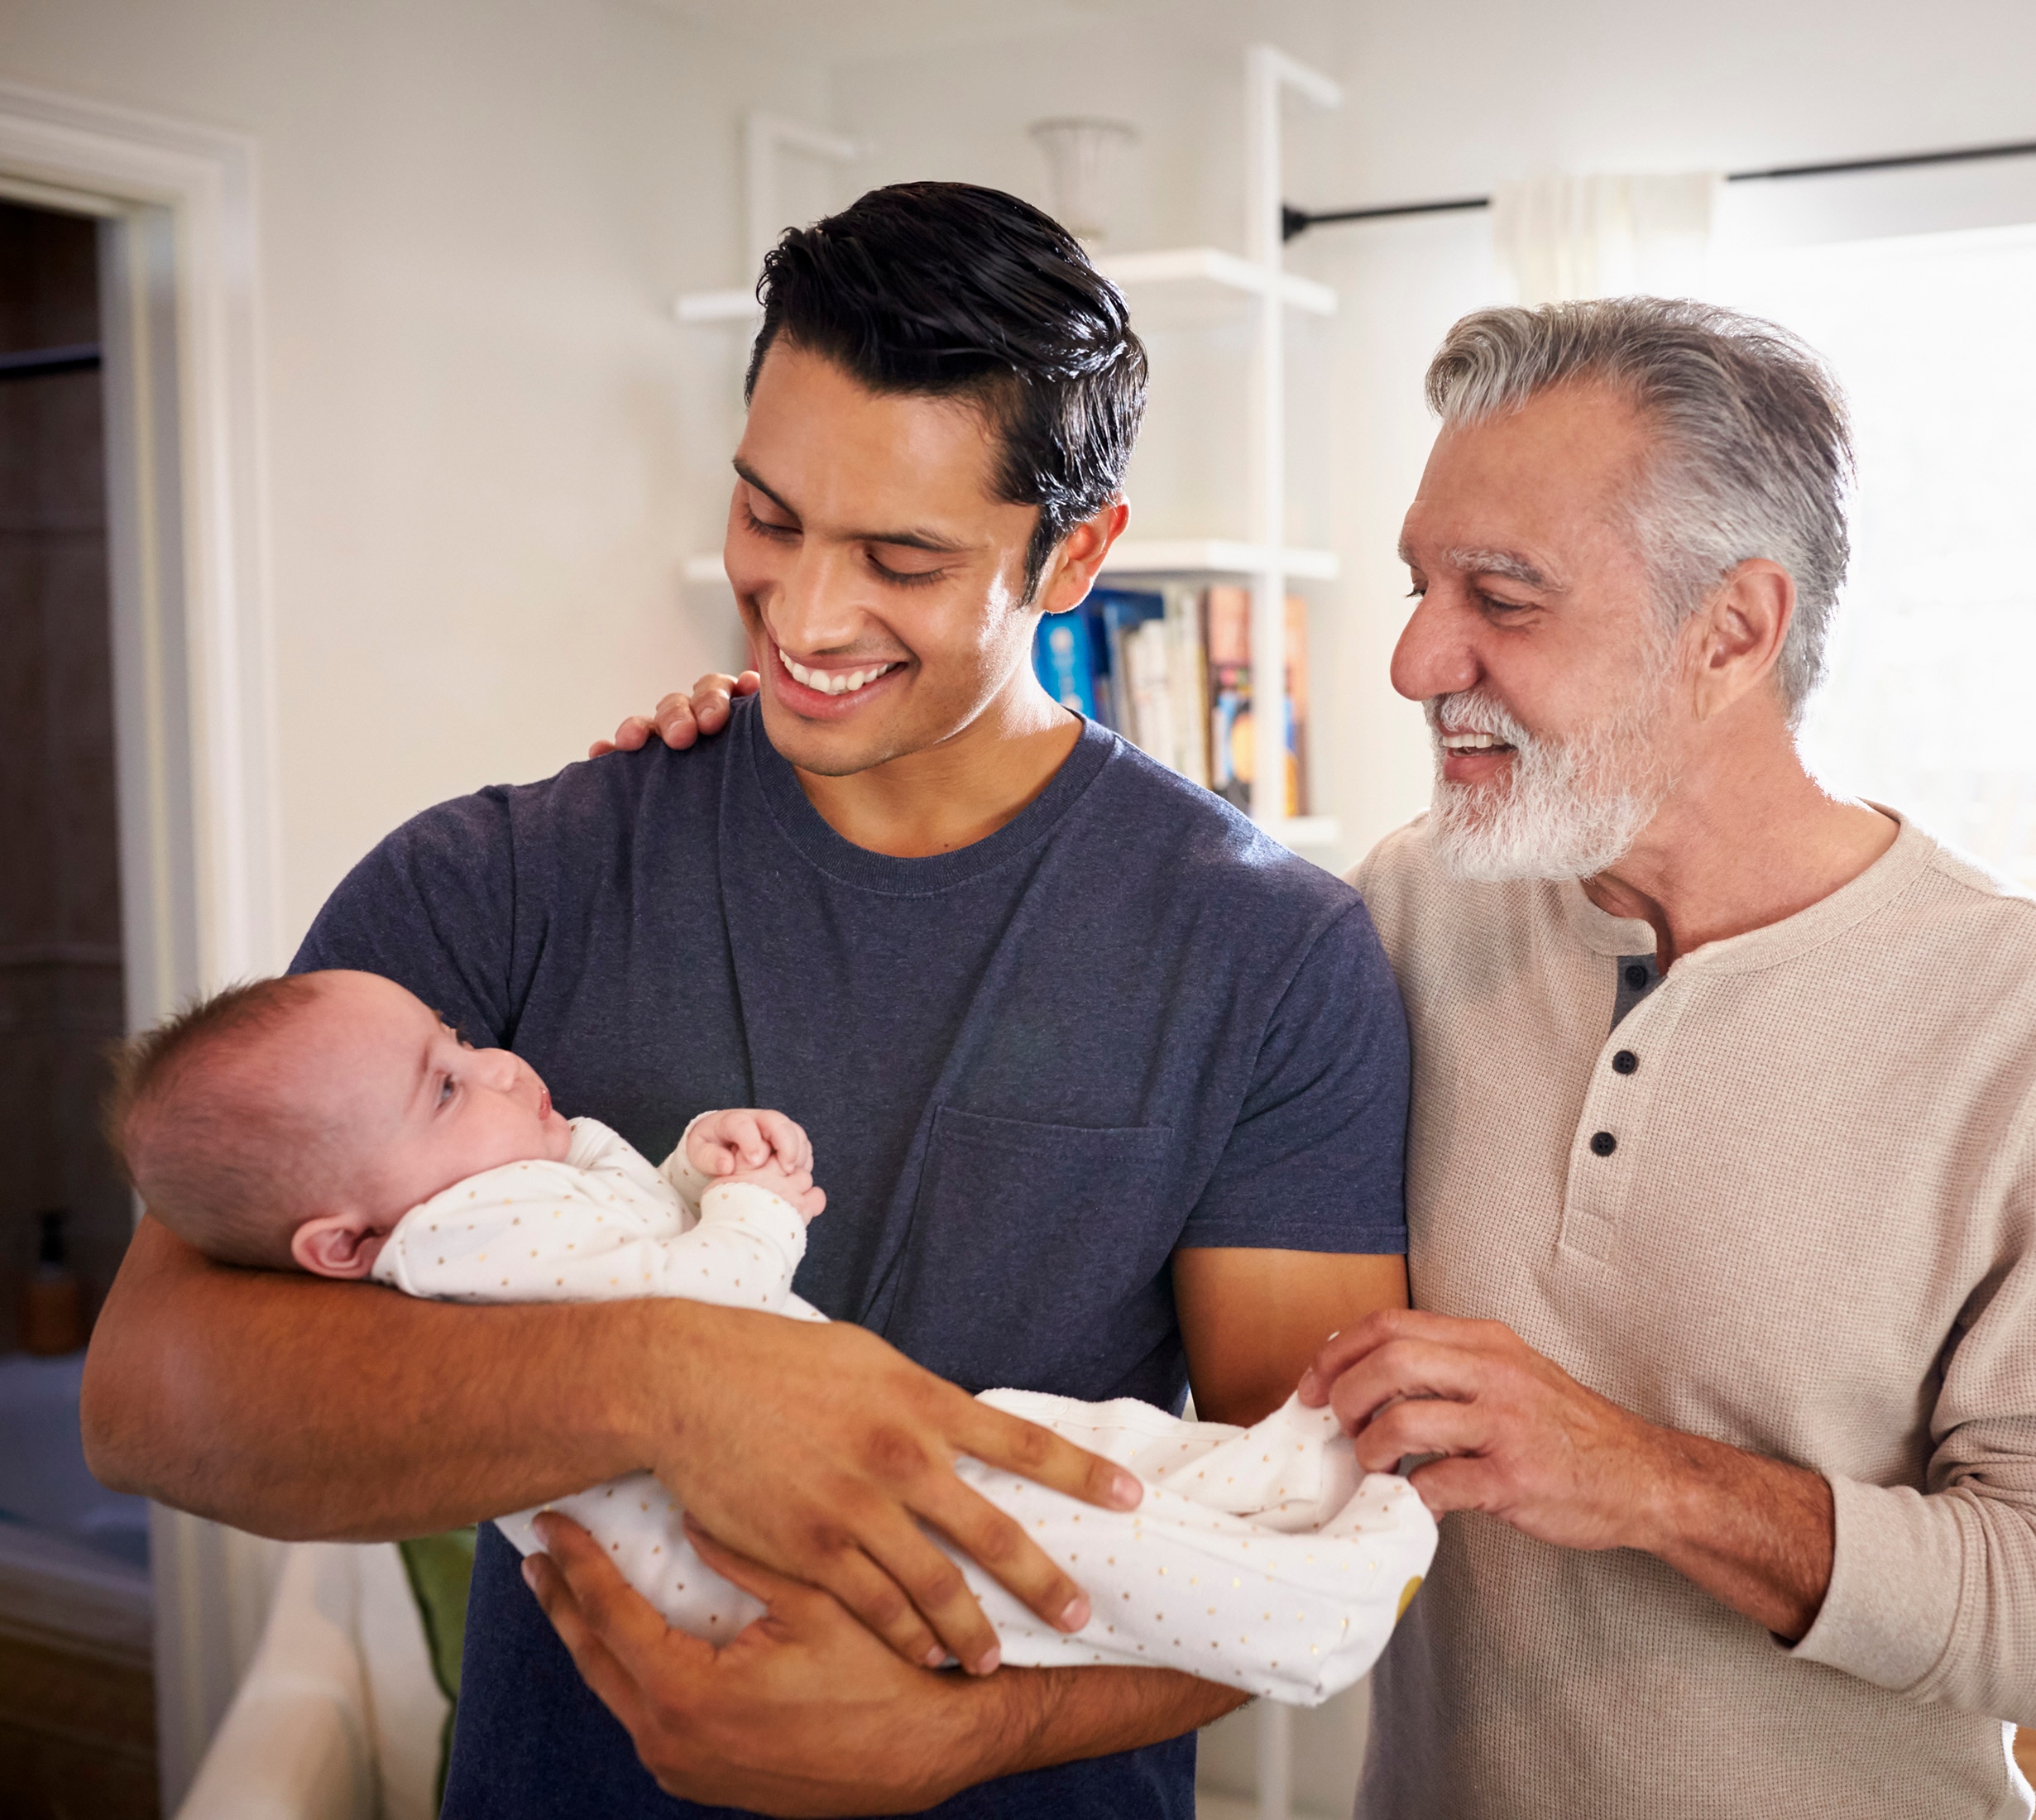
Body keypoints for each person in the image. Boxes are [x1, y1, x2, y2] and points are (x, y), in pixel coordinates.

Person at [611, 297, 2036, 1819]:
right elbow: (1106, 886)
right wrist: (807, 742)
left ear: (1732, 626)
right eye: (1419, 586)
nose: (1415, 662)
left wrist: (1643, 1478)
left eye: (1502, 599)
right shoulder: (1398, 916)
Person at [79, 182, 1413, 1819]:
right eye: (769, 516)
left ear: (1075, 553)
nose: (804, 613)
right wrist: (670, 1381)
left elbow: (1329, 1505)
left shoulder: (1269, 949)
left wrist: (962, 1732)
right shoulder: (493, 883)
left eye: (902, 557)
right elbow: (152, 1395)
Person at [104, 968, 1435, 1699]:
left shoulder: (470, 1198)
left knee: (1076, 1461)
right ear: (339, 1245)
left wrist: (694, 1168)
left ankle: (1264, 1480)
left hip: (803, 1497)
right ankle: (1307, 1615)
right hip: (749, 1555)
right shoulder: (461, 1232)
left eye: (461, 1039)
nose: (499, 1065)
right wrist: (746, 1207)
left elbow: (625, 1249)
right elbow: (702, 1318)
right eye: (449, 1081)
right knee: (1076, 1548)